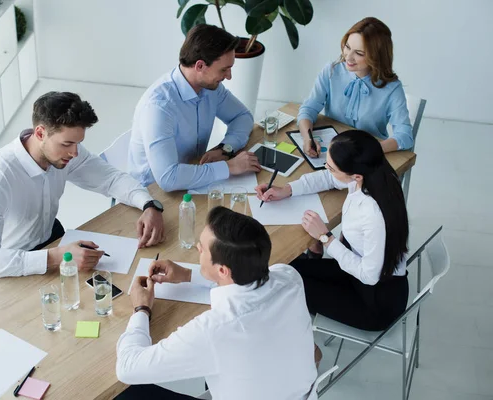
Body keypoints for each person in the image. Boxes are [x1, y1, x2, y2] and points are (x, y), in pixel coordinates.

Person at [115, 207, 317, 400]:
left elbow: (127, 367)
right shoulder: (289, 276)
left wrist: (141, 308)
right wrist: (187, 274)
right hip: (296, 391)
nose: (197, 248)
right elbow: (243, 282)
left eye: (201, 249)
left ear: (222, 271)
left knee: (124, 394)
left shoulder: (214, 329)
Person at [0, 91, 165, 280]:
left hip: (50, 239)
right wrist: (57, 256)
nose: (74, 153)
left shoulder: (67, 154)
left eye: (77, 143)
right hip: (10, 262)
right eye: (67, 144)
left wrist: (149, 204)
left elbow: (110, 179)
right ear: (40, 133)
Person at [255, 130, 409, 340]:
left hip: (376, 300)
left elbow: (369, 275)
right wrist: (287, 190)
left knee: (283, 285)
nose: (327, 170)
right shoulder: (374, 174)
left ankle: (283, 344)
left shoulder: (373, 212)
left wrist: (326, 238)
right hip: (359, 272)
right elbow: (328, 178)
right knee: (286, 269)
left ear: (355, 175)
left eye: (332, 167)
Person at [128, 24, 261, 192]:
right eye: (224, 69)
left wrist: (225, 149)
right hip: (152, 194)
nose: (229, 76)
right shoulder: (159, 107)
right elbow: (169, 178)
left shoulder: (210, 88)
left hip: (192, 177)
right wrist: (229, 167)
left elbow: (243, 116)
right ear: (200, 66)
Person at [297, 17, 413, 156]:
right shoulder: (331, 71)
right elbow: (308, 109)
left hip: (368, 158)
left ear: (377, 56)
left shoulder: (392, 88)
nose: (348, 57)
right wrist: (307, 138)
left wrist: (371, 150)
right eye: (347, 47)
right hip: (332, 154)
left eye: (359, 53)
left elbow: (405, 136)